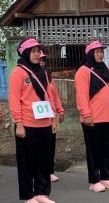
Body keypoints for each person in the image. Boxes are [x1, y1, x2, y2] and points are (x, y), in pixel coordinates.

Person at [9, 37, 56, 203]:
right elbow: (14, 100)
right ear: (26, 53)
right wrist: (19, 124)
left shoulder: (43, 72)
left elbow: (48, 97)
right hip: (27, 124)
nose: (37, 54)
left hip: (44, 123)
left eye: (38, 51)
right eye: (34, 51)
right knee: (27, 163)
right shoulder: (18, 73)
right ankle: (28, 197)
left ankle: (41, 193)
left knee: (43, 161)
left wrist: (52, 119)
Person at [74, 40, 109, 192]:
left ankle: (106, 178)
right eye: (97, 52)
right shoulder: (83, 71)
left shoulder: (106, 69)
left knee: (106, 149)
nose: (101, 54)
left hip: (107, 117)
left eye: (102, 52)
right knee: (93, 150)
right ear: (90, 54)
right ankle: (94, 181)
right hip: (92, 119)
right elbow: (81, 96)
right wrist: (86, 114)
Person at [39, 51, 65, 182]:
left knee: (50, 145)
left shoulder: (49, 79)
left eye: (43, 60)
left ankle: (49, 171)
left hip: (51, 118)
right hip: (39, 119)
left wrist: (60, 111)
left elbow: (56, 97)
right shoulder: (33, 80)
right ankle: (39, 172)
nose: (42, 62)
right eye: (40, 60)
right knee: (40, 147)